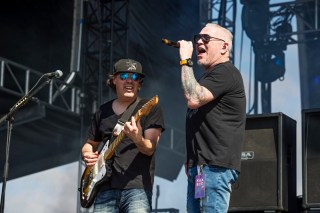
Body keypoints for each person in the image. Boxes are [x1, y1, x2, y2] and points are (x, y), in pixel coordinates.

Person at [177, 23, 246, 212]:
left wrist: (185, 60)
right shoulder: (208, 78)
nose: (199, 41)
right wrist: (191, 159)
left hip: (214, 168)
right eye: (197, 38)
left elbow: (193, 98)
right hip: (200, 168)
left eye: (206, 39)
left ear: (224, 47)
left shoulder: (226, 72)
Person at [81, 58, 165, 213]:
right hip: (104, 188)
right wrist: (87, 154)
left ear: (139, 83)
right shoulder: (102, 111)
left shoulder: (150, 108)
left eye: (134, 77)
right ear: (114, 80)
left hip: (137, 189)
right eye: (124, 76)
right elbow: (90, 144)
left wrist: (137, 138)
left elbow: (150, 149)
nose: (129, 81)